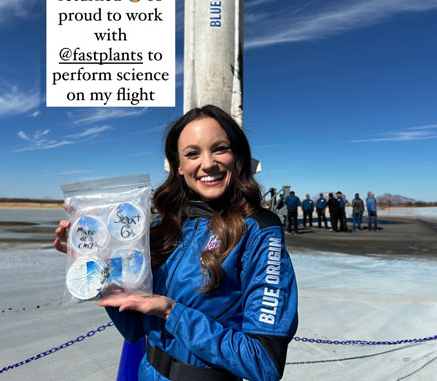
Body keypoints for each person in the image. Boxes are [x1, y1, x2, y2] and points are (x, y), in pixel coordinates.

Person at [54, 105, 298, 381]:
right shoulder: (163, 228)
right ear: (179, 166)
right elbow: (134, 330)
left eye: (219, 149)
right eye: (192, 153)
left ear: (237, 156)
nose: (207, 163)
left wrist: (173, 313)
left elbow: (263, 362)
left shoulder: (258, 232)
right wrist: (96, 264)